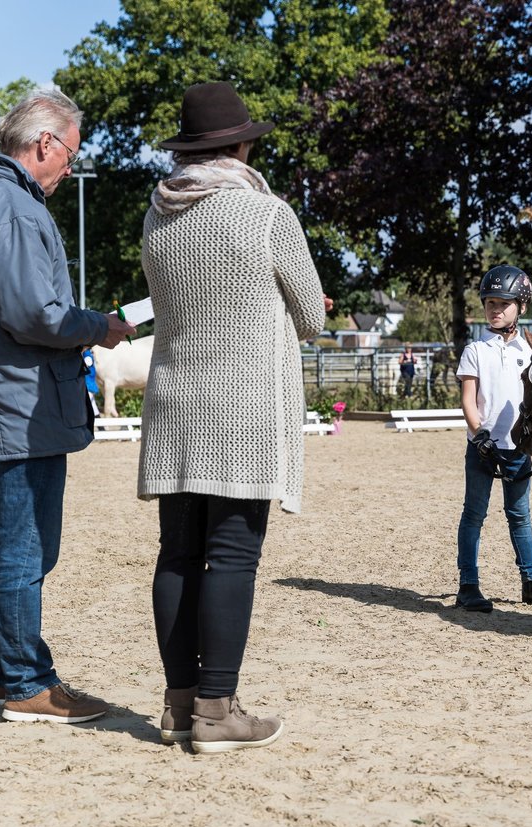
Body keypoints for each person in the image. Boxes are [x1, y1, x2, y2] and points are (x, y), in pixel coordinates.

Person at [137, 82, 329, 754]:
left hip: (172, 403)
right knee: (232, 558)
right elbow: (311, 316)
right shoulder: (268, 215)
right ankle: (219, 711)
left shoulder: (156, 217)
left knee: (178, 554)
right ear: (241, 146)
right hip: (242, 408)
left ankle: (179, 705)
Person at [0, 89, 135, 724]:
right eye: (71, 155)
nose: (70, 169)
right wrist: (97, 325)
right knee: (26, 549)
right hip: (25, 405)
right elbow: (35, 315)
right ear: (45, 143)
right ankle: (27, 681)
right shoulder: (19, 211)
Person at [455, 265, 532, 613]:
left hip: (518, 448)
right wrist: (479, 433)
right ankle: (468, 585)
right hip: (483, 447)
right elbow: (469, 400)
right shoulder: (475, 350)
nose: (496, 309)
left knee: (520, 516)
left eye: (504, 303)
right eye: (490, 303)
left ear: (521, 306)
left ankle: (531, 583)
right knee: (474, 514)